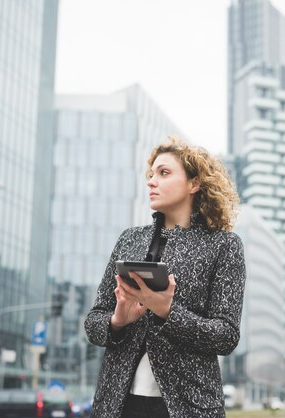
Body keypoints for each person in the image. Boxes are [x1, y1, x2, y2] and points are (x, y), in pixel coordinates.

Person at [84, 137, 246, 418]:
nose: (151, 181)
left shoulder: (224, 245)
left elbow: (226, 336)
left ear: (194, 184)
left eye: (164, 173)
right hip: (118, 404)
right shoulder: (129, 239)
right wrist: (118, 320)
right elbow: (93, 322)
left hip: (188, 405)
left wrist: (168, 312)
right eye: (151, 174)